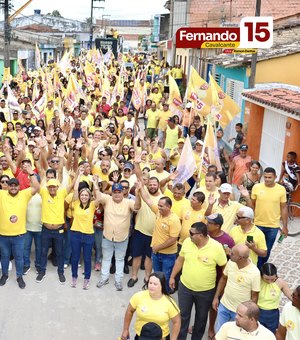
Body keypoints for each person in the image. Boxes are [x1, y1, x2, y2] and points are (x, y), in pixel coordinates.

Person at [169, 222, 227, 340]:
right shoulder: (187, 242)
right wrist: (172, 276)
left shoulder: (216, 247)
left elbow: (225, 270)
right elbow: (180, 260)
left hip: (205, 292)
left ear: (200, 235)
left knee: (201, 319)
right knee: (183, 316)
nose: (189, 235)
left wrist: (218, 293)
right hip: (185, 288)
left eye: (192, 233)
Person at [96, 182, 141, 291]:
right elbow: (97, 196)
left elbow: (137, 207)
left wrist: (138, 192)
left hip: (122, 238)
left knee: (120, 260)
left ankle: (118, 281)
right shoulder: (107, 199)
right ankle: (104, 278)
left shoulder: (128, 202)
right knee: (106, 259)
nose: (117, 194)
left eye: (119, 192)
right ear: (112, 192)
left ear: (123, 192)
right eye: (114, 192)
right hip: (107, 236)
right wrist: (95, 184)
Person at [0, 173, 40, 289]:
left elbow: (37, 187)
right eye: (11, 185)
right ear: (7, 186)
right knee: (4, 256)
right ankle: (5, 275)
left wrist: (31, 173)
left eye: (15, 186)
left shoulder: (24, 194)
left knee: (19, 257)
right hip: (3, 235)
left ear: (19, 187)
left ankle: (19, 277)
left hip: (19, 235)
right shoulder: (2, 194)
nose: (13, 187)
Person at [140, 189, 181, 293]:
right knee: (157, 276)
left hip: (168, 255)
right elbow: (147, 199)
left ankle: (165, 296)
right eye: (158, 205)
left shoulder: (174, 220)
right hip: (156, 253)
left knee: (165, 278)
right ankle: (157, 294)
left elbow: (173, 239)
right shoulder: (159, 213)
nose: (159, 208)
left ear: (168, 207)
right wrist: (141, 187)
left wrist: (157, 247)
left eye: (161, 206)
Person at [213, 244, 261, 332]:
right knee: (219, 332)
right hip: (224, 306)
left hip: (239, 313)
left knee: (233, 335)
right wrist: (216, 297)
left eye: (232, 253)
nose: (229, 253)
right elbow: (223, 278)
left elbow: (254, 296)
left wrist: (249, 315)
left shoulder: (255, 273)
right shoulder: (231, 263)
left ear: (240, 258)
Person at [121, 272, 181, 340]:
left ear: (162, 286)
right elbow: (129, 311)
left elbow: (177, 322)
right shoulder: (138, 296)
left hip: (161, 338)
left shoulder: (169, 302)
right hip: (142, 336)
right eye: (150, 283)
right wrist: (125, 329)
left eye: (155, 284)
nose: (151, 286)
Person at [251, 167, 288, 268]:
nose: (267, 179)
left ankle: (261, 267)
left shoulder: (281, 189)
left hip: (273, 226)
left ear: (275, 177)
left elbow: (284, 208)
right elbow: (252, 205)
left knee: (267, 250)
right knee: (256, 249)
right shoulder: (256, 187)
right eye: (265, 177)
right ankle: (257, 269)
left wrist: (285, 226)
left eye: (270, 177)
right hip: (257, 224)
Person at [70, 172, 101, 290]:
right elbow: (75, 189)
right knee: (75, 258)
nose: (83, 197)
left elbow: (99, 198)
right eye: (82, 195)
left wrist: (95, 183)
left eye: (86, 195)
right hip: (75, 234)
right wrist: (79, 175)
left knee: (87, 259)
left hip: (88, 235)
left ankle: (86, 280)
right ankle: (74, 277)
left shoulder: (93, 205)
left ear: (89, 196)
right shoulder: (76, 203)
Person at [37, 179, 71, 284]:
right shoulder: (44, 193)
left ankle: (60, 272)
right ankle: (42, 271)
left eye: (54, 186)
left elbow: (72, 184)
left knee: (59, 252)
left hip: (58, 230)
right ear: (47, 188)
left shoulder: (61, 193)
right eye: (50, 186)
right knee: (43, 251)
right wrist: (31, 172)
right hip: (46, 230)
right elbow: (36, 185)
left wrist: (79, 174)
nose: (52, 188)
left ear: (57, 187)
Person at [258, 263, 292, 334]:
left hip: (272, 314)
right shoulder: (257, 280)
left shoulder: (280, 282)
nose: (269, 281)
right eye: (266, 279)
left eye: (272, 279)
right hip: (258, 311)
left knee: (271, 334)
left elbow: (291, 296)